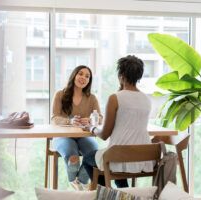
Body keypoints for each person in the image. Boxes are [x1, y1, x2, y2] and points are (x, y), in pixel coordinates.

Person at [82, 55, 153, 188]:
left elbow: (104, 135)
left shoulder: (115, 98)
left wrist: (91, 128)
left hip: (119, 157)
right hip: (142, 158)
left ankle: (106, 195)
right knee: (118, 167)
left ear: (121, 75)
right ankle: (123, 195)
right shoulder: (147, 99)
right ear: (138, 76)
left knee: (88, 158)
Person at [51, 65, 102, 190]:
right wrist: (70, 121)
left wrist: (91, 120)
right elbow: (54, 118)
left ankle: (81, 181)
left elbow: (100, 118)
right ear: (74, 75)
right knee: (72, 156)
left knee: (94, 154)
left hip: (84, 135)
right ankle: (73, 180)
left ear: (89, 81)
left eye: (87, 76)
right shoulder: (60, 94)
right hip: (63, 136)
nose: (83, 78)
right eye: (80, 74)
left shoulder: (92, 98)